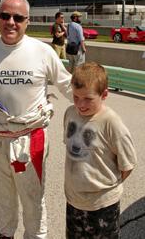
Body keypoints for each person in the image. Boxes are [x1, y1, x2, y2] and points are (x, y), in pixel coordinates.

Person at [0, 0, 72, 239]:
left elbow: (68, 86)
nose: (10, 22)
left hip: (31, 140)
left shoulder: (43, 52)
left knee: (33, 201)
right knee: (2, 200)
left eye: (18, 17)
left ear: (27, 21)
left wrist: (97, 109)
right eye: (5, 16)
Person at [63, 62, 137, 239]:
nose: (80, 104)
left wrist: (105, 187)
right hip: (74, 201)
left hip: (103, 206)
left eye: (88, 98)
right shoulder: (70, 114)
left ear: (104, 94)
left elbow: (128, 165)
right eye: (75, 97)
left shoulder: (111, 123)